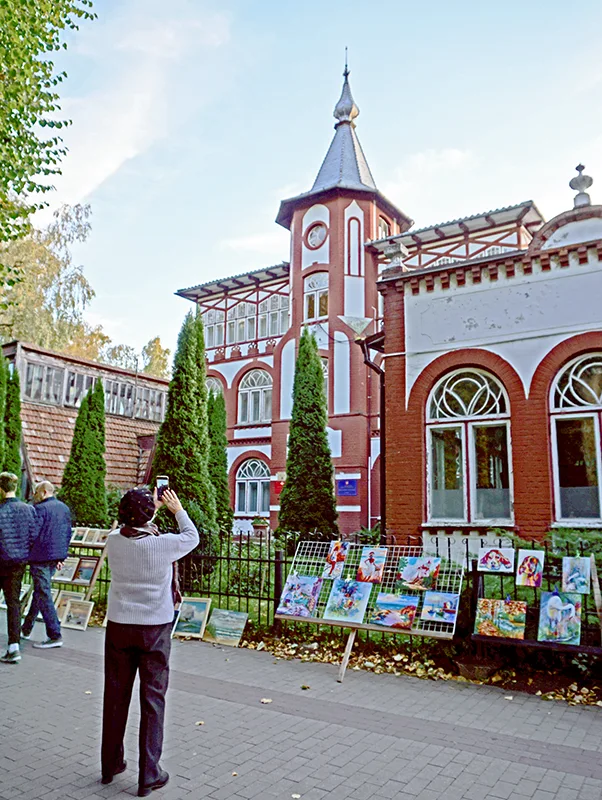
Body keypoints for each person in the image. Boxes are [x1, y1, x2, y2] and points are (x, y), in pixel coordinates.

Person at [101, 486, 199, 797]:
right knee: (152, 700)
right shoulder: (163, 545)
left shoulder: (113, 541)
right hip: (154, 628)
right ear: (150, 515)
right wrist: (176, 509)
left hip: (119, 625)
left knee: (115, 695)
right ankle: (149, 774)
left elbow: (127, 526)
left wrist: (145, 508)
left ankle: (110, 764)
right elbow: (192, 536)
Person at [21, 480, 72, 648]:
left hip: (40, 556)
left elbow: (32, 534)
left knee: (43, 593)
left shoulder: (39, 510)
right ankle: (26, 628)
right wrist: (61, 557)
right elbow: (66, 533)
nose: (34, 496)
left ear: (43, 492)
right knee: (40, 592)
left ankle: (54, 634)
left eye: (36, 492)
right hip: (54, 557)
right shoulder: (64, 508)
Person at [0, 472, 38, 664]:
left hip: (1, 560)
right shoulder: (28, 510)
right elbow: (33, 536)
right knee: (13, 603)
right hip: (18, 563)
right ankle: (13, 646)